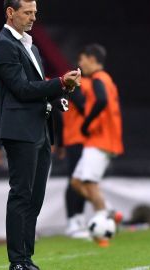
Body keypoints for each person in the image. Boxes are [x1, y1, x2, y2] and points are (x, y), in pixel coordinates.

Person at [0, 0, 80, 268]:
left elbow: (37, 90)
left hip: (40, 128)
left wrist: (62, 91)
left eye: (35, 13)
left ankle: (26, 258)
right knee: (21, 194)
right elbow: (23, 89)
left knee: (35, 197)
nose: (33, 18)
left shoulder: (32, 47)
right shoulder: (3, 45)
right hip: (20, 130)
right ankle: (17, 261)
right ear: (10, 12)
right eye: (27, 12)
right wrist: (60, 82)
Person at [70, 44, 123, 246]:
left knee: (90, 184)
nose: (80, 64)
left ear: (92, 59)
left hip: (102, 138)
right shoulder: (105, 79)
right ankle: (108, 213)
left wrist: (86, 122)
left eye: (82, 59)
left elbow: (101, 100)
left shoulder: (99, 79)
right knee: (76, 182)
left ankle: (103, 229)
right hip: (99, 139)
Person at [62, 79, 89, 238]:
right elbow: (84, 107)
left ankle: (79, 217)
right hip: (74, 140)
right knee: (74, 179)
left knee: (83, 180)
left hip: (86, 140)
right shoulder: (77, 87)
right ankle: (72, 220)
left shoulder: (88, 86)